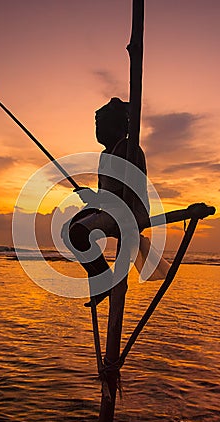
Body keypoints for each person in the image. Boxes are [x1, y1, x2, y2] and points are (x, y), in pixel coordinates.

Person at [61, 97, 150, 306]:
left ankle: (106, 282)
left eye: (102, 125)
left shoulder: (128, 149)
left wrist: (97, 198)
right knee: (67, 229)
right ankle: (100, 279)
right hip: (111, 210)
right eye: (96, 126)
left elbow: (128, 192)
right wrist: (92, 199)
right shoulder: (104, 155)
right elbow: (105, 195)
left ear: (118, 126)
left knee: (78, 232)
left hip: (131, 212)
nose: (98, 130)